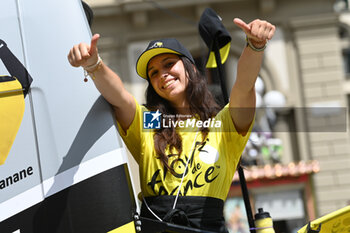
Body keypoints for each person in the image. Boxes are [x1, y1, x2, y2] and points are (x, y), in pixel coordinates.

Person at [68, 18, 275, 233]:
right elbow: (120, 98)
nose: (162, 74)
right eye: (153, 73)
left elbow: (244, 86)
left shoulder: (222, 124)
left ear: (191, 69)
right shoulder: (149, 123)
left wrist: (255, 46)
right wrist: (94, 65)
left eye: (168, 64)